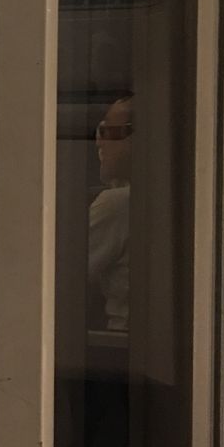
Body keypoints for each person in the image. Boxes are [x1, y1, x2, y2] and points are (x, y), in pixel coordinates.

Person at [89, 95, 131, 331]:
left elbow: (57, 277)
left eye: (108, 132)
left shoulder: (118, 204)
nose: (99, 143)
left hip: (120, 345)